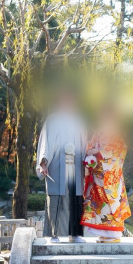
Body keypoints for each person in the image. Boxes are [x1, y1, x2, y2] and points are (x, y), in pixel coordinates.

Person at [36, 91, 87, 243]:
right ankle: (53, 234)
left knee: (75, 198)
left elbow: (85, 143)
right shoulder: (52, 120)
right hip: (56, 164)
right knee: (55, 199)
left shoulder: (79, 121)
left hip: (76, 163)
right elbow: (46, 143)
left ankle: (75, 234)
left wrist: (86, 163)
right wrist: (44, 163)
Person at [80, 105, 131, 243]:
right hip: (97, 172)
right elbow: (90, 146)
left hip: (109, 174)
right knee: (99, 203)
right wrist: (90, 152)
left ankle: (113, 234)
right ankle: (104, 233)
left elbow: (119, 150)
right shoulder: (98, 130)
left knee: (110, 203)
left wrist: (98, 153)